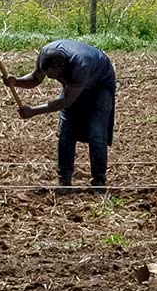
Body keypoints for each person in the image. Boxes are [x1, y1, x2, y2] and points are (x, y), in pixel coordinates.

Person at [7, 38, 117, 191]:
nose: (52, 79)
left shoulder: (80, 66)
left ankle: (99, 182)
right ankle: (64, 182)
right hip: (74, 84)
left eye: (54, 76)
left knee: (96, 133)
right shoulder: (45, 54)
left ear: (62, 67)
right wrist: (16, 81)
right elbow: (35, 79)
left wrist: (33, 111)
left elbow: (65, 102)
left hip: (100, 84)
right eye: (48, 75)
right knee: (66, 132)